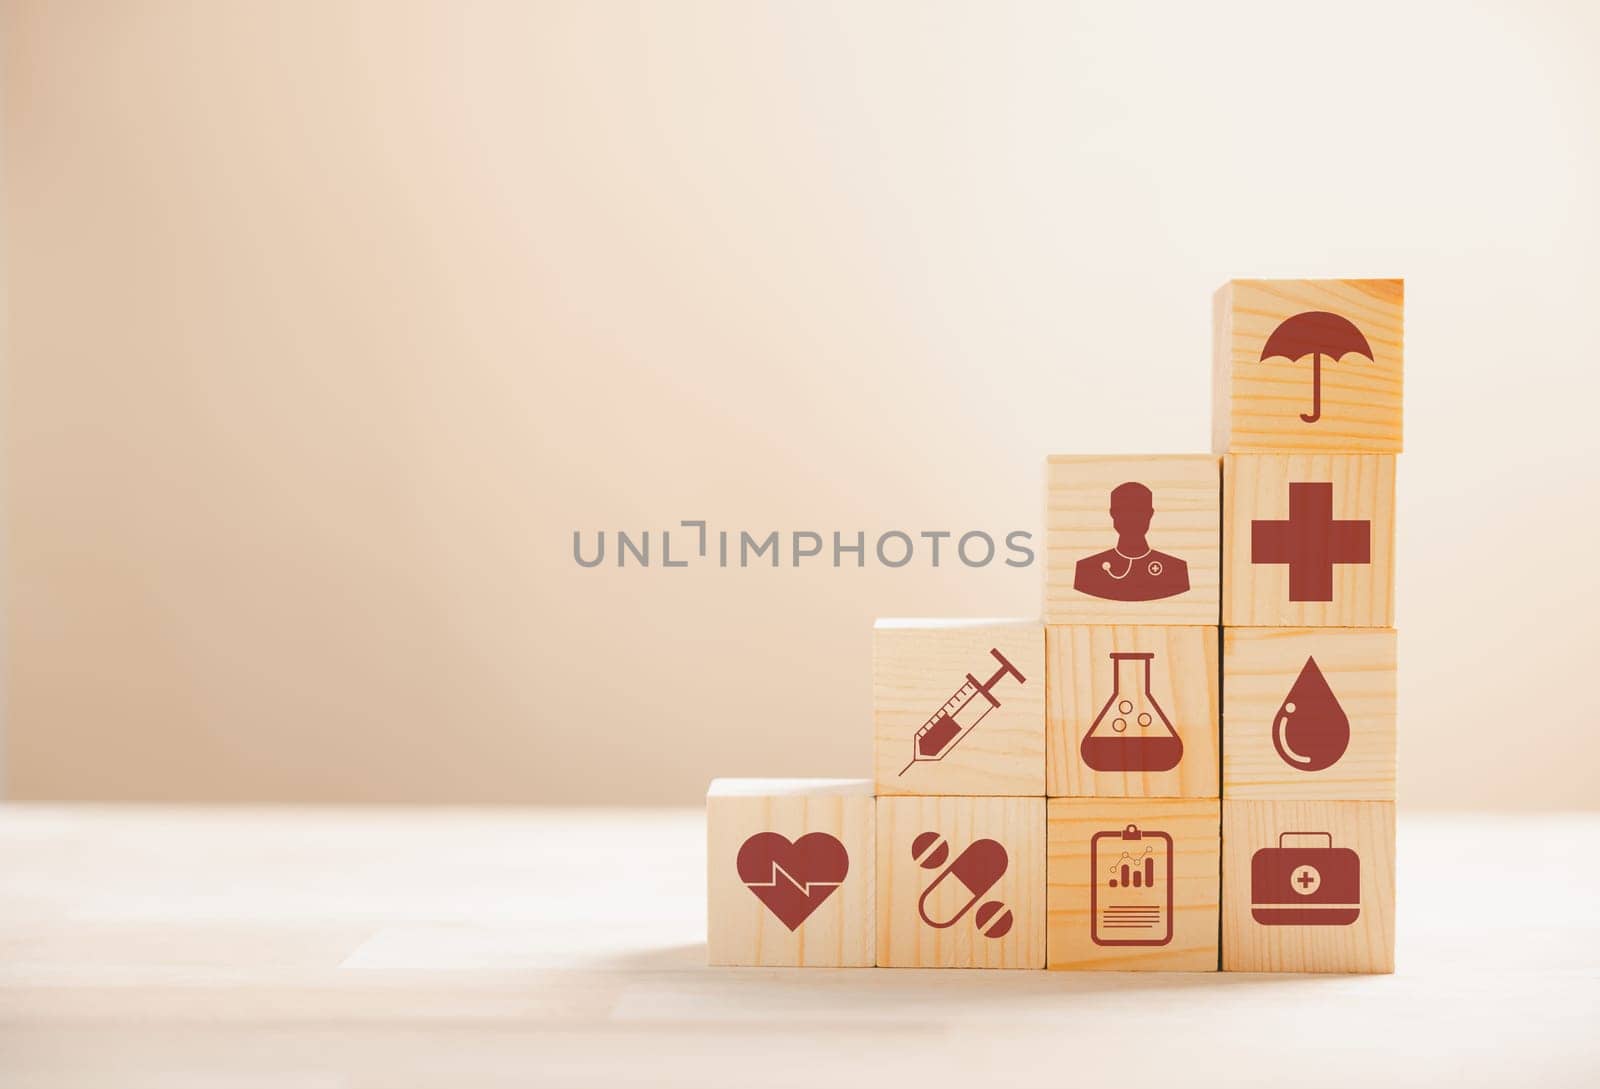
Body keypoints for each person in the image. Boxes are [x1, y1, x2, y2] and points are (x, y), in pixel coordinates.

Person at [1073, 481, 1189, 602]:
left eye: (1139, 510)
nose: (1132, 518)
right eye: (1124, 510)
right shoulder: (1087, 570)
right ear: (1112, 514)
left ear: (1150, 514)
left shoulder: (1174, 570)